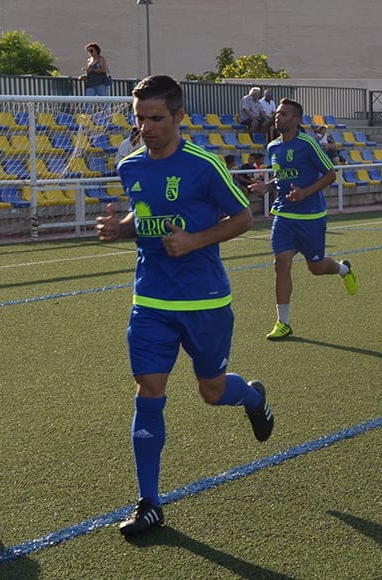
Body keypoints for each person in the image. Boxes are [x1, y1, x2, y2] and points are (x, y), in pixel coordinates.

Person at [95, 75, 274, 537]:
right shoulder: (130, 166)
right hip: (150, 299)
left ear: (178, 117)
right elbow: (144, 216)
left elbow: (244, 218)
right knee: (148, 390)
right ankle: (149, 502)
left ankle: (253, 396)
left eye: (155, 118)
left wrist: (195, 239)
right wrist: (123, 230)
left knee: (211, 392)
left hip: (205, 300)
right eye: (139, 119)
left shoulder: (204, 165)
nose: (146, 127)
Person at [249, 98, 357, 340]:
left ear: (296, 120)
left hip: (310, 216)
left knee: (316, 268)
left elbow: (330, 174)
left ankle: (343, 269)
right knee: (281, 264)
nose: (278, 117)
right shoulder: (273, 147)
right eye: (277, 113)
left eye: (284, 114)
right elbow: (281, 177)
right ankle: (283, 323)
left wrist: (305, 193)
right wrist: (267, 188)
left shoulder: (307, 143)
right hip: (283, 215)